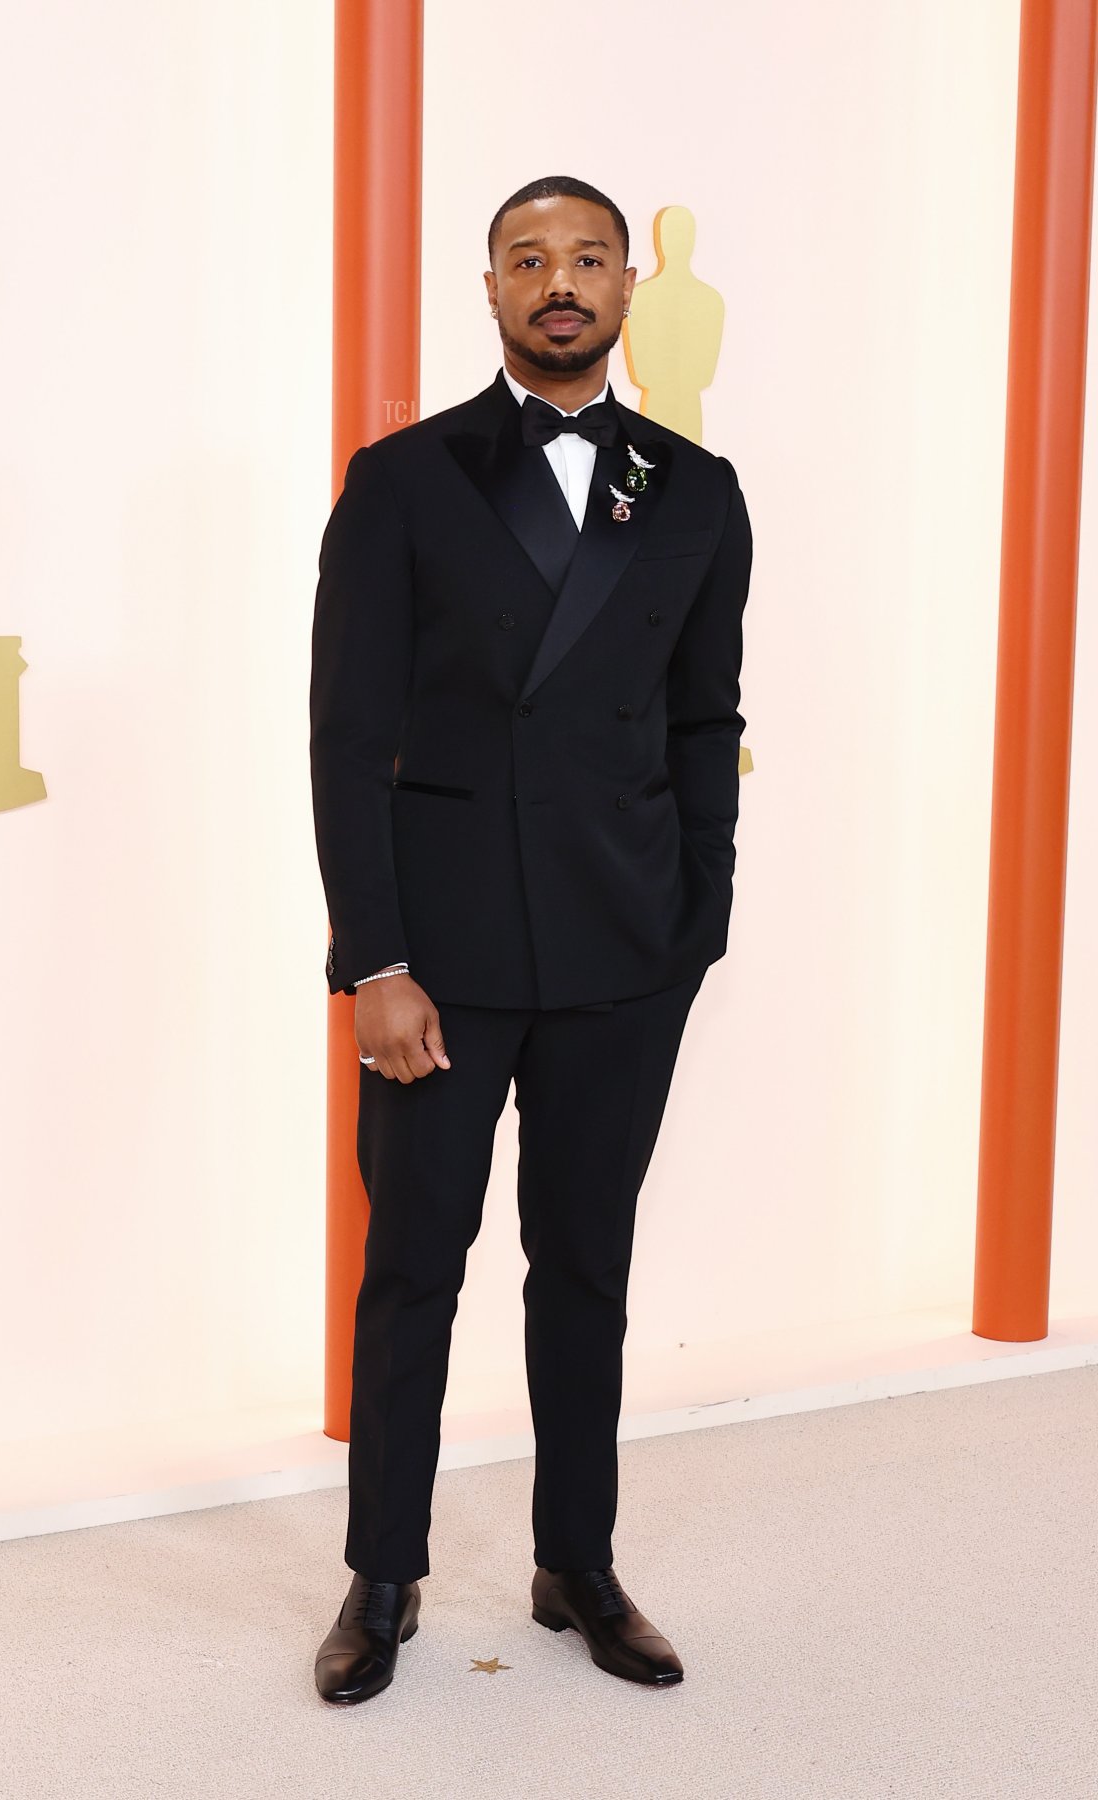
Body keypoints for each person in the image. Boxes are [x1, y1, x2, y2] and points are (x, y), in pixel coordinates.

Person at [308, 174, 752, 1705]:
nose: (557, 284)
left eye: (584, 259)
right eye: (527, 260)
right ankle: (383, 1573)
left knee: (589, 1268)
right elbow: (347, 731)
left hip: (625, 953)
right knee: (414, 1267)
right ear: (488, 287)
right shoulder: (406, 478)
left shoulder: (694, 489)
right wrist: (374, 959)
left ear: (629, 284)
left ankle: (579, 1561)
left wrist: (701, 912)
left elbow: (705, 718)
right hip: (441, 960)